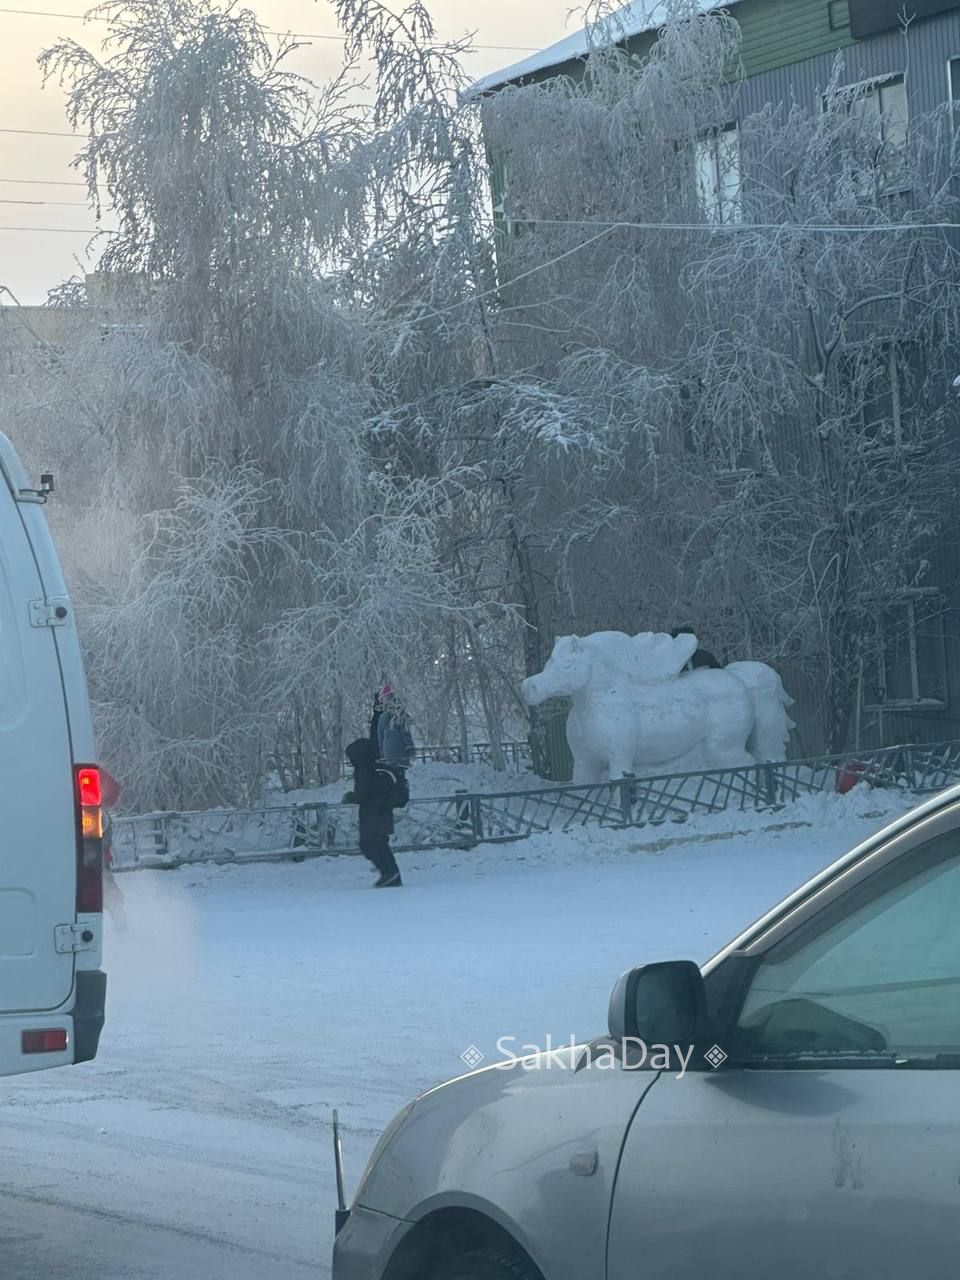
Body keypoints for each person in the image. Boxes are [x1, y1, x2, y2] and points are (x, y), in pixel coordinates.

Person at [344, 737, 402, 888]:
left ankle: (389, 872)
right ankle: (390, 872)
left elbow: (362, 794)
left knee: (369, 844)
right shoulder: (377, 768)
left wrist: (351, 797)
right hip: (382, 812)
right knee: (379, 843)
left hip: (372, 813)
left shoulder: (364, 770)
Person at [100, 767, 127, 931]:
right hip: (95, 855)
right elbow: (113, 792)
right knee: (108, 890)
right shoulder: (80, 763)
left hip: (92, 855)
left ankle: (121, 926)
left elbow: (112, 792)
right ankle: (121, 926)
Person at [373, 685, 415, 768]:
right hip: (401, 752)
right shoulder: (400, 715)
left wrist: (382, 750)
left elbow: (380, 736)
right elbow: (405, 733)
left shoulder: (382, 717)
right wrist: (411, 748)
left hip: (388, 753)